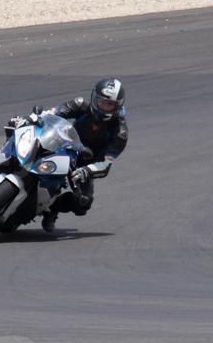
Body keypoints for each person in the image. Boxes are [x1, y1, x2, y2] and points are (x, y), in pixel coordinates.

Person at [8, 78, 128, 231]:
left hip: (87, 162)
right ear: (93, 98)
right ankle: (4, 161)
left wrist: (88, 170)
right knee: (22, 136)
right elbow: (51, 113)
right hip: (63, 144)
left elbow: (106, 163)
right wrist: (31, 118)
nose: (104, 106)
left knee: (83, 203)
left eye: (109, 104)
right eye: (101, 101)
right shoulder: (80, 104)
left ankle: (52, 209)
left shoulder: (120, 132)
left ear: (117, 107)